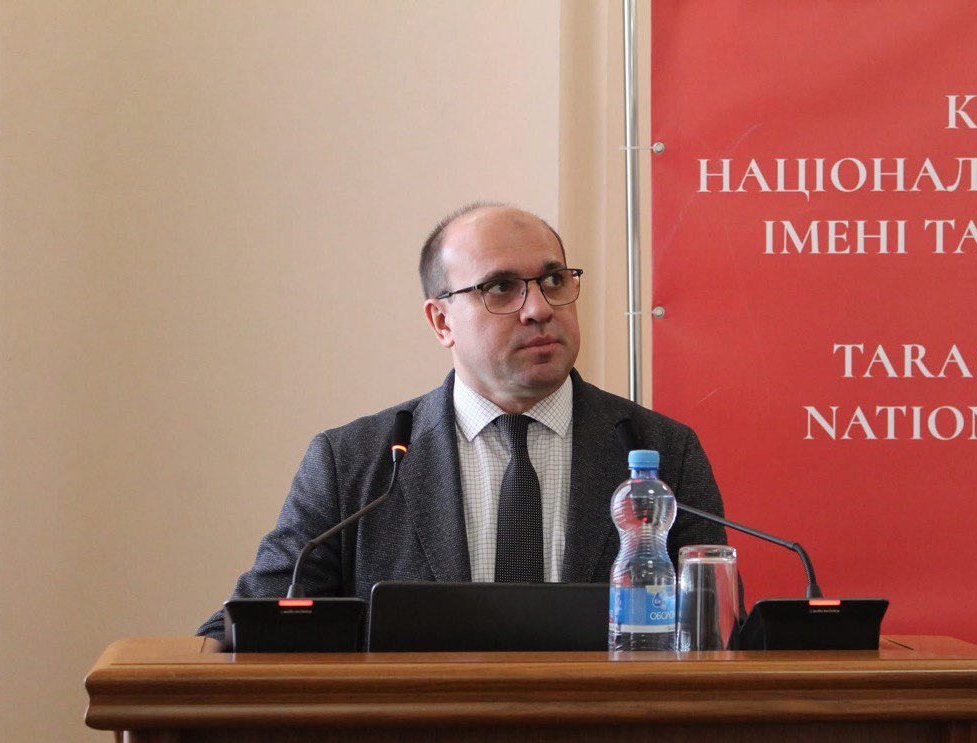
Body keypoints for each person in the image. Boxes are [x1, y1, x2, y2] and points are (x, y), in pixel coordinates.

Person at [197, 203, 725, 640]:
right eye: (501, 287)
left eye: (553, 280)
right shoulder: (353, 463)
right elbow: (244, 626)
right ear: (441, 321)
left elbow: (715, 633)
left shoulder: (664, 450)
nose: (539, 308)